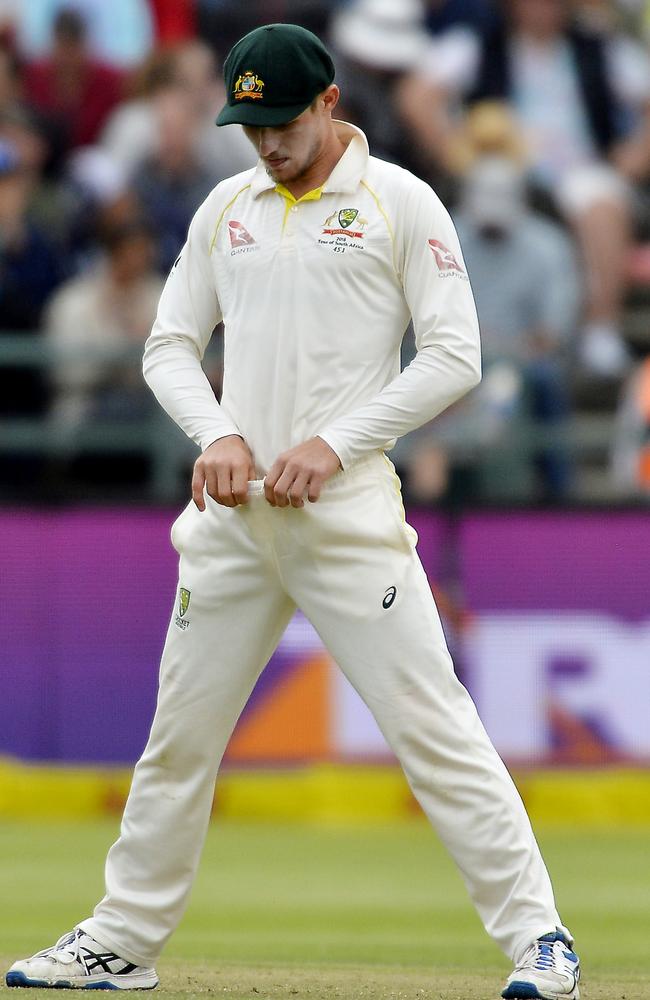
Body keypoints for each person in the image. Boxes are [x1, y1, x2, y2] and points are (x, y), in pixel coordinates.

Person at [5, 24, 581, 1000]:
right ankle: (123, 939)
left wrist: (337, 443)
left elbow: (455, 357)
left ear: (326, 103)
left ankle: (538, 940)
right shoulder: (227, 207)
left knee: (433, 729)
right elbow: (168, 346)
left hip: (348, 518)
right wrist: (217, 436)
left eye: (279, 122)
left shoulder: (398, 202)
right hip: (233, 523)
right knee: (177, 739)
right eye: (249, 124)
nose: (264, 143)